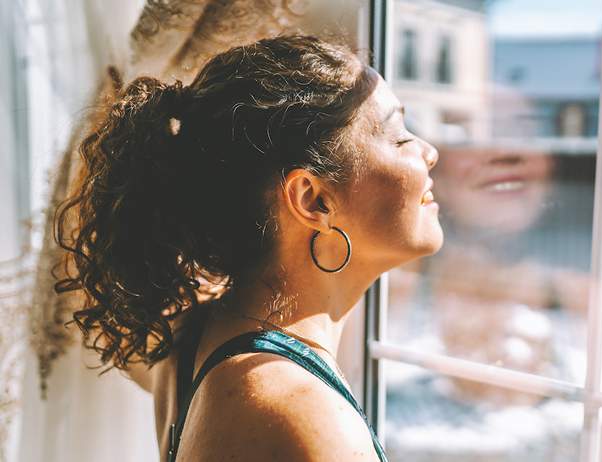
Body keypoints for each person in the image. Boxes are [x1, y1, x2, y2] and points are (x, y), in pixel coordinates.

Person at [53, 35, 441, 461]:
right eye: (400, 136)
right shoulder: (298, 416)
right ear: (314, 200)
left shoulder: (195, 335)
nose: (430, 152)